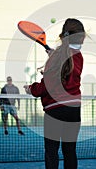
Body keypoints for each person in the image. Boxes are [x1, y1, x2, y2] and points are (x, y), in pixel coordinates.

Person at [24, 18, 85, 169]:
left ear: (62, 35)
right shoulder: (79, 57)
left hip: (55, 111)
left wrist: (31, 88)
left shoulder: (56, 57)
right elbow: (67, 69)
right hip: (74, 110)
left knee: (51, 152)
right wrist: (54, 56)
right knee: (69, 151)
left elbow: (46, 87)